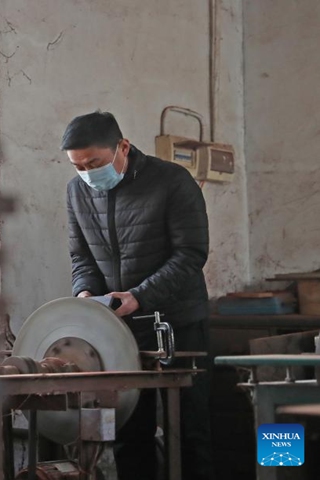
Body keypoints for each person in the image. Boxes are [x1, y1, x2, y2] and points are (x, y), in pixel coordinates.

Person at [62, 111, 214, 480]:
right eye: (78, 166)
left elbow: (191, 254)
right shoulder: (77, 191)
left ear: (123, 147)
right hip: (120, 331)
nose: (87, 173)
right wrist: (84, 293)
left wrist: (140, 296)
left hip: (178, 324)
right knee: (129, 432)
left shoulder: (172, 181)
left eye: (95, 163)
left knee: (190, 431)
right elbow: (81, 255)